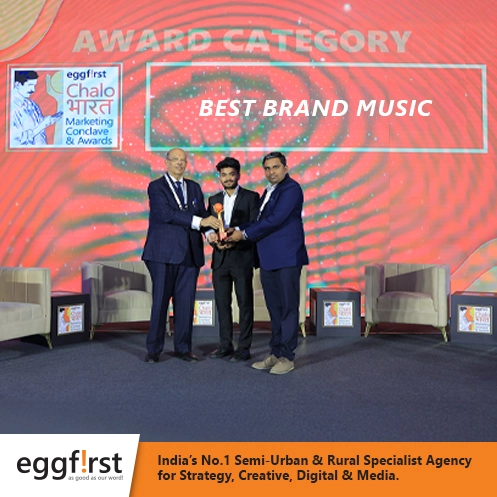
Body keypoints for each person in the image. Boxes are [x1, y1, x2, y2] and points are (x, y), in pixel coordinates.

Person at [226, 151, 308, 374]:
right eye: (267, 168)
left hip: (287, 257)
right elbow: (259, 221)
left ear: (285, 168)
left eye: (275, 167)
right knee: (275, 308)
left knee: (288, 308)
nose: (271, 172)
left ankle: (287, 357)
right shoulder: (269, 191)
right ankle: (276, 352)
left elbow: (274, 220)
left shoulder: (291, 189)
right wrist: (237, 229)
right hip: (269, 258)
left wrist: (243, 234)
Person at [142, 148, 221, 363]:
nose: (179, 163)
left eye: (182, 160)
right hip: (162, 254)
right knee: (160, 303)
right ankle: (154, 349)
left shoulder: (194, 187)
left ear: (186, 164)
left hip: (190, 254)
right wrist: (200, 222)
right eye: (175, 159)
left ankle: (183, 349)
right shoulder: (156, 187)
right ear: (166, 162)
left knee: (186, 304)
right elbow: (166, 214)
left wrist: (210, 232)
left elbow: (203, 214)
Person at [206, 157, 260, 362]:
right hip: (220, 258)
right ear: (219, 177)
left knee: (245, 304)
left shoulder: (251, 197)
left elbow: (255, 224)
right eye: (224, 175)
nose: (228, 178)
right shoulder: (213, 199)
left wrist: (234, 232)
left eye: (231, 174)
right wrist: (212, 238)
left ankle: (244, 348)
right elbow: (209, 226)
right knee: (222, 304)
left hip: (242, 257)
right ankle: (225, 345)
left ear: (238, 175)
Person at [10, 70, 62, 147]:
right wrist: (45, 124)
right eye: (30, 85)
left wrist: (50, 120)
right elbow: (18, 141)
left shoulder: (31, 104)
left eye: (34, 85)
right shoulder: (10, 108)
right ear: (17, 85)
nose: (33, 89)